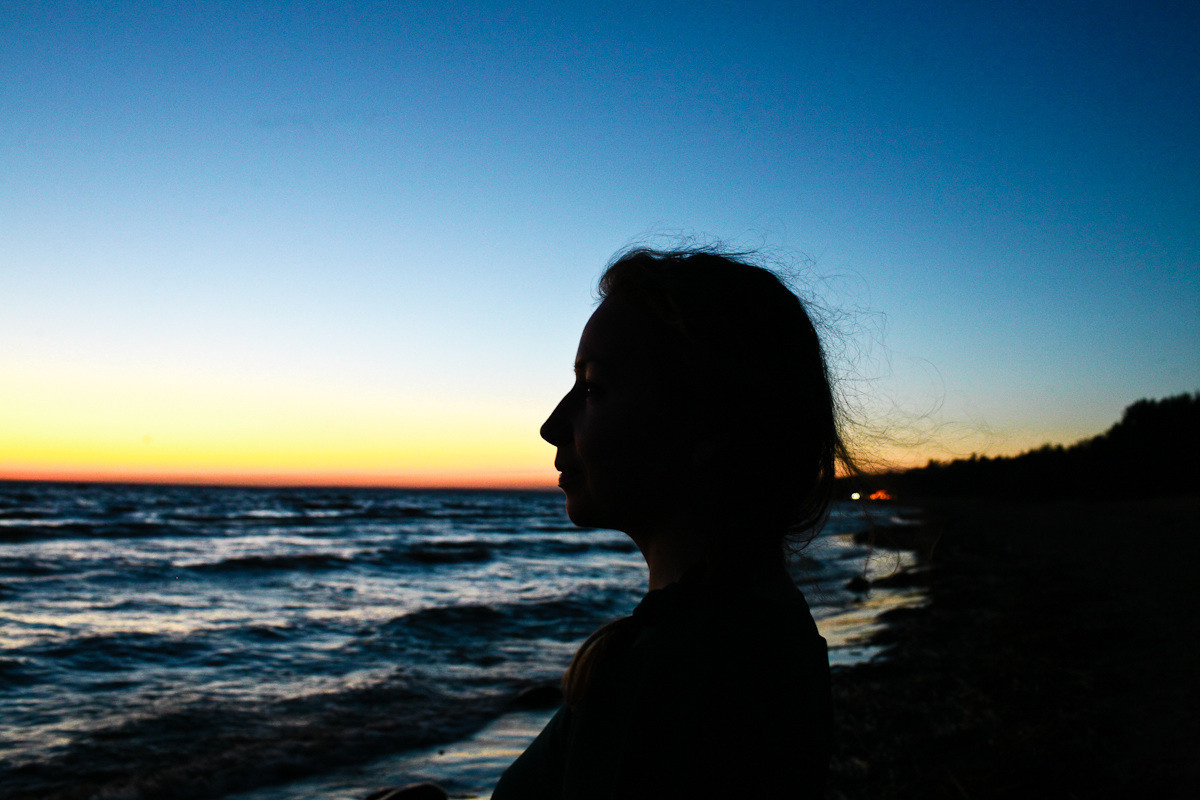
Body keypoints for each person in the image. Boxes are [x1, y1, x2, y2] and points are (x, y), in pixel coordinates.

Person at [489, 248, 845, 799]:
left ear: (708, 422)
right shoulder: (761, 635)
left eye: (593, 388)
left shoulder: (681, 680)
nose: (552, 425)